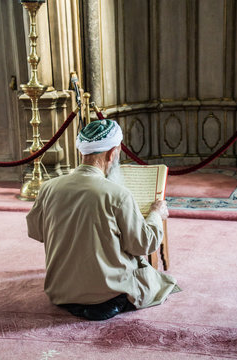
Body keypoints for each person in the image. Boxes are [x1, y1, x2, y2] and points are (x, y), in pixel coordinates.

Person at [26, 119, 180, 321]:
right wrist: (155, 215)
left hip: (61, 292)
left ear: (83, 152)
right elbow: (143, 244)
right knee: (159, 281)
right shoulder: (118, 195)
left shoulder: (48, 187)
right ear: (112, 153)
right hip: (106, 297)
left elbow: (35, 231)